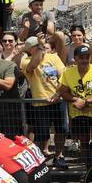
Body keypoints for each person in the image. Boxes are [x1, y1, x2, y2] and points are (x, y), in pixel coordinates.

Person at [18, 37, 67, 165]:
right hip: (40, 103)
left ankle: (59, 156)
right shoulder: (26, 61)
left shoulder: (53, 57)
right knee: (41, 134)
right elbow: (33, 66)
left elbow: (63, 77)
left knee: (61, 130)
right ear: (30, 49)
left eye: (42, 45)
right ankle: (39, 160)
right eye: (37, 46)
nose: (42, 48)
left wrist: (58, 94)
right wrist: (40, 50)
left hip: (58, 101)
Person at [59, 44, 92, 159]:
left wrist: (86, 102)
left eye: (87, 57)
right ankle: (87, 165)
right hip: (78, 114)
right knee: (84, 142)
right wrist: (76, 100)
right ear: (75, 58)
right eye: (81, 57)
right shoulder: (68, 73)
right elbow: (63, 92)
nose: (84, 60)